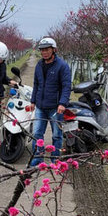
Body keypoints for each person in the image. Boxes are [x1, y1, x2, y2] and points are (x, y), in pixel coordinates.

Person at [29, 36, 71, 165]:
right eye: (42, 50)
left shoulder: (62, 66)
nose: (44, 52)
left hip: (55, 107)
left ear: (54, 50)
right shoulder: (39, 65)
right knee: (37, 134)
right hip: (41, 106)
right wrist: (33, 101)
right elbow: (36, 84)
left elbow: (66, 86)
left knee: (56, 135)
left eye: (47, 50)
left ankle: (55, 159)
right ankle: (38, 157)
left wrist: (62, 103)